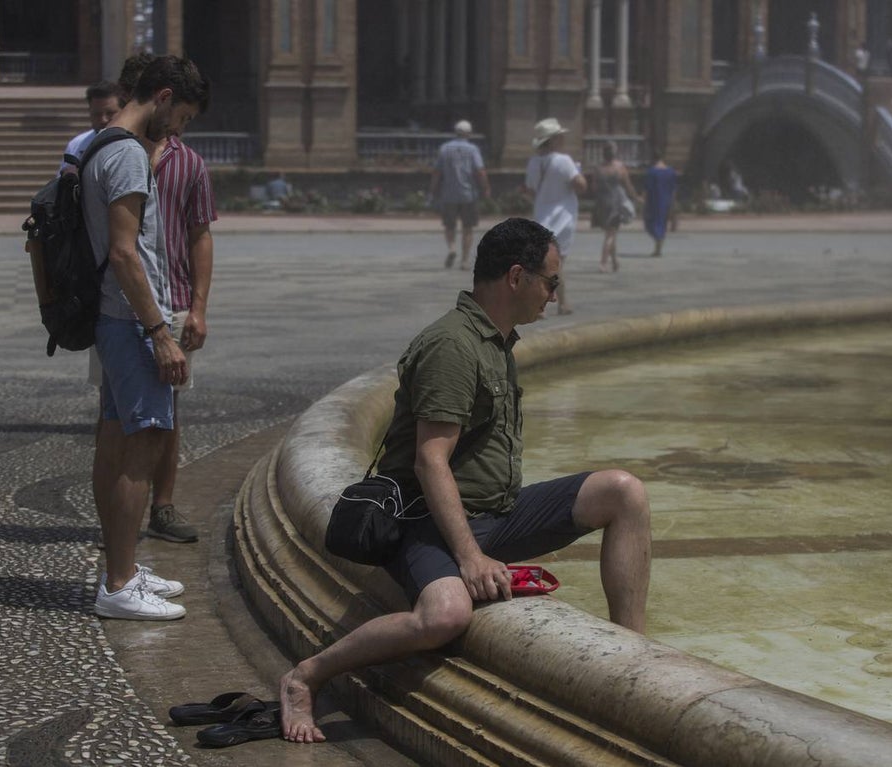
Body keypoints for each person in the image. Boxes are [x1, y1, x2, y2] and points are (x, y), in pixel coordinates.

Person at [278, 217, 651, 743]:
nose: (555, 295)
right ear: (517, 278)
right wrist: (470, 557)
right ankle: (305, 676)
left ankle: (637, 657)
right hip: (429, 522)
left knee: (623, 492)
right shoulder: (454, 346)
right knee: (444, 616)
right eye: (552, 282)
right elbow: (431, 460)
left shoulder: (494, 340)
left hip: (494, 512)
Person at [86, 55, 211, 620]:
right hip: (135, 322)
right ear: (161, 97)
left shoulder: (98, 144)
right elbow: (124, 252)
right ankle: (117, 584)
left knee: (115, 446)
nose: (178, 131)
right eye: (180, 116)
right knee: (141, 449)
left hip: (112, 320)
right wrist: (161, 333)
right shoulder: (131, 155)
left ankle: (125, 569)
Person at [524, 118, 586, 315]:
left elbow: (531, 191)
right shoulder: (564, 161)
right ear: (553, 140)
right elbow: (580, 185)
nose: (563, 139)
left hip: (542, 216)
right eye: (560, 136)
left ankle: (538, 306)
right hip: (563, 218)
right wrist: (579, 173)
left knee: (542, 264)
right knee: (557, 264)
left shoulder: (534, 163)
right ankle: (562, 304)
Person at [429, 119, 491, 269]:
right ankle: (464, 261)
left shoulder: (444, 149)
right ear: (469, 133)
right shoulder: (473, 150)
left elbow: (437, 172)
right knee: (467, 228)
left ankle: (452, 248)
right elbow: (480, 171)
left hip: (448, 193)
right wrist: (486, 188)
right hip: (468, 194)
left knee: (449, 226)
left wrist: (433, 190)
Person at [590, 140, 640, 273]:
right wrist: (636, 198)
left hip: (602, 203)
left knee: (610, 232)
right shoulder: (620, 167)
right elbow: (628, 185)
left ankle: (615, 262)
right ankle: (603, 263)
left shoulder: (597, 168)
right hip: (616, 204)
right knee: (610, 235)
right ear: (614, 153)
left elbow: (593, 187)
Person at [59, 80, 125, 174]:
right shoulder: (77, 145)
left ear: (123, 111)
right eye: (97, 114)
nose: (103, 120)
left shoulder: (135, 145)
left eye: (110, 113)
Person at [643, 154, 677, 258]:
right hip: (666, 200)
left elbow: (647, 189)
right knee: (662, 223)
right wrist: (673, 202)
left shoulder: (651, 172)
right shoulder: (671, 172)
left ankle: (658, 247)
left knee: (650, 224)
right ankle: (658, 248)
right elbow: (673, 189)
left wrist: (644, 202)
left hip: (654, 201)